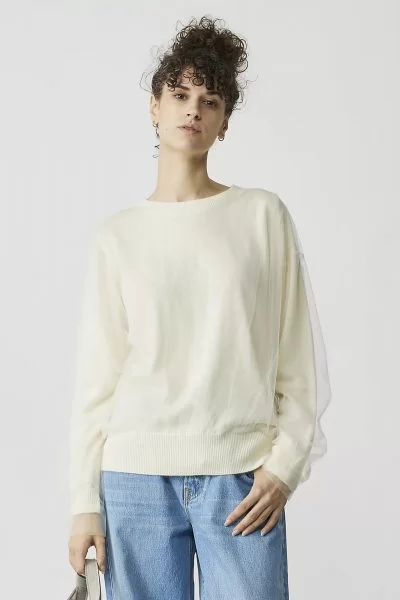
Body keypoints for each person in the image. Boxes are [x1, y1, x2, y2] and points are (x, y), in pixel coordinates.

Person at [67, 15, 331, 600]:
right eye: (180, 95)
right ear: (154, 106)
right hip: (133, 478)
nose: (193, 111)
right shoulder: (117, 236)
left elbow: (296, 358)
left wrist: (285, 466)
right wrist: (84, 502)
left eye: (210, 101)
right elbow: (97, 380)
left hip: (240, 478)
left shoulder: (262, 216)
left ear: (225, 122)